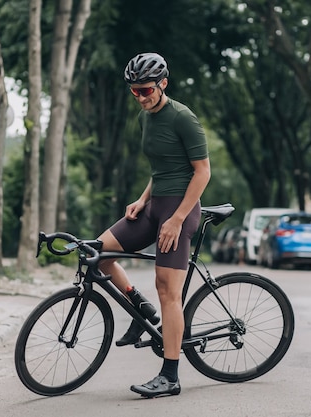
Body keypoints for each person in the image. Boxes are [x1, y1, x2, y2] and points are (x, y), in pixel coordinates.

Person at [97, 52, 211, 398]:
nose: (141, 97)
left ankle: (171, 375)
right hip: (154, 206)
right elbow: (160, 166)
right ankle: (138, 305)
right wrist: (143, 199)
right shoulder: (144, 118)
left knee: (168, 290)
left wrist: (177, 219)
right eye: (135, 92)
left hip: (181, 210)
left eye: (146, 90)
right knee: (99, 254)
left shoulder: (182, 118)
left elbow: (202, 171)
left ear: (163, 83)